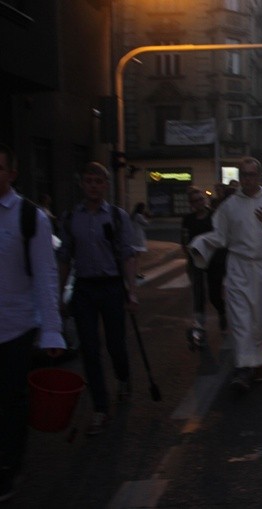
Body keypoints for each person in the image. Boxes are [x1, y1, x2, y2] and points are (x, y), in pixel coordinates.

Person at [188, 157, 262, 392]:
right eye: (244, 175)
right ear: (239, 177)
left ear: (259, 176)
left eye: (251, 175)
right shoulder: (229, 206)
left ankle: (260, 363)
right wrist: (200, 244)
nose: (247, 179)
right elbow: (219, 236)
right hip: (239, 269)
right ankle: (243, 368)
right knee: (241, 320)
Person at [0, 144, 66, 503]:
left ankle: (9, 468)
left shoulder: (30, 217)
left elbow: (45, 275)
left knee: (11, 401)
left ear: (12, 173)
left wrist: (52, 330)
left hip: (15, 326)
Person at [57, 162, 137, 436]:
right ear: (83, 184)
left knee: (116, 344)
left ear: (105, 186)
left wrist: (131, 290)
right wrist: (60, 295)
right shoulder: (70, 218)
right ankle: (100, 408)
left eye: (98, 181)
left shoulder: (116, 217)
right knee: (89, 349)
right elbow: (65, 257)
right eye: (89, 181)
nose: (93, 185)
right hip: (85, 288)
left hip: (112, 287)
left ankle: (123, 378)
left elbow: (127, 254)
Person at [181, 187, 227, 335]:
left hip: (215, 261)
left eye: (201, 199)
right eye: (195, 201)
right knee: (198, 293)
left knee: (214, 295)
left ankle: (222, 312)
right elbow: (184, 240)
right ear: (191, 203)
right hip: (197, 259)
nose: (199, 203)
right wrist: (188, 252)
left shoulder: (214, 216)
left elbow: (221, 237)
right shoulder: (188, 219)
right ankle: (200, 325)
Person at [130, 202, 150, 279]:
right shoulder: (139, 216)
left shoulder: (133, 215)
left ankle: (135, 272)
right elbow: (146, 223)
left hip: (133, 237)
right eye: (144, 208)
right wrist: (146, 216)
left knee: (134, 256)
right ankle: (137, 273)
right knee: (138, 257)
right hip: (138, 238)